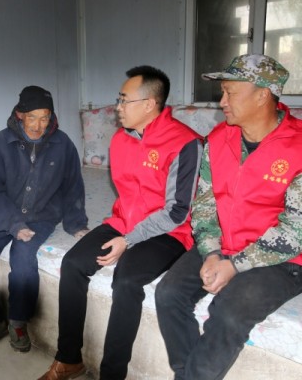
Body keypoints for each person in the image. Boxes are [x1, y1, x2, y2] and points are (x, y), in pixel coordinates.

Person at [39, 66, 202, 380]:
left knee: (127, 281)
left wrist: (129, 240)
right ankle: (69, 359)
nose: (117, 107)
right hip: (124, 221)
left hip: (169, 233)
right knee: (72, 264)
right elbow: (126, 193)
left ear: (149, 104)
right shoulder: (120, 140)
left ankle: (112, 375)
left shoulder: (185, 143)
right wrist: (124, 231)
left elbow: (178, 211)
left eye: (124, 100)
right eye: (119, 100)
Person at [155, 54, 302, 380]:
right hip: (225, 243)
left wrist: (235, 265)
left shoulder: (299, 146)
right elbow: (205, 205)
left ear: (262, 94)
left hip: (282, 259)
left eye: (230, 92)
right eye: (222, 92)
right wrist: (211, 252)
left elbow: (296, 231)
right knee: (168, 294)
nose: (222, 101)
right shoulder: (220, 138)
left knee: (228, 314)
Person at [0, 85, 89, 354]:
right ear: (20, 114)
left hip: (42, 215)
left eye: (45, 117)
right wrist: (13, 224)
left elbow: (73, 186)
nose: (38, 125)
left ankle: (18, 322)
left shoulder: (63, 144)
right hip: (2, 214)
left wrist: (76, 224)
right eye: (32, 117)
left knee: (22, 259)